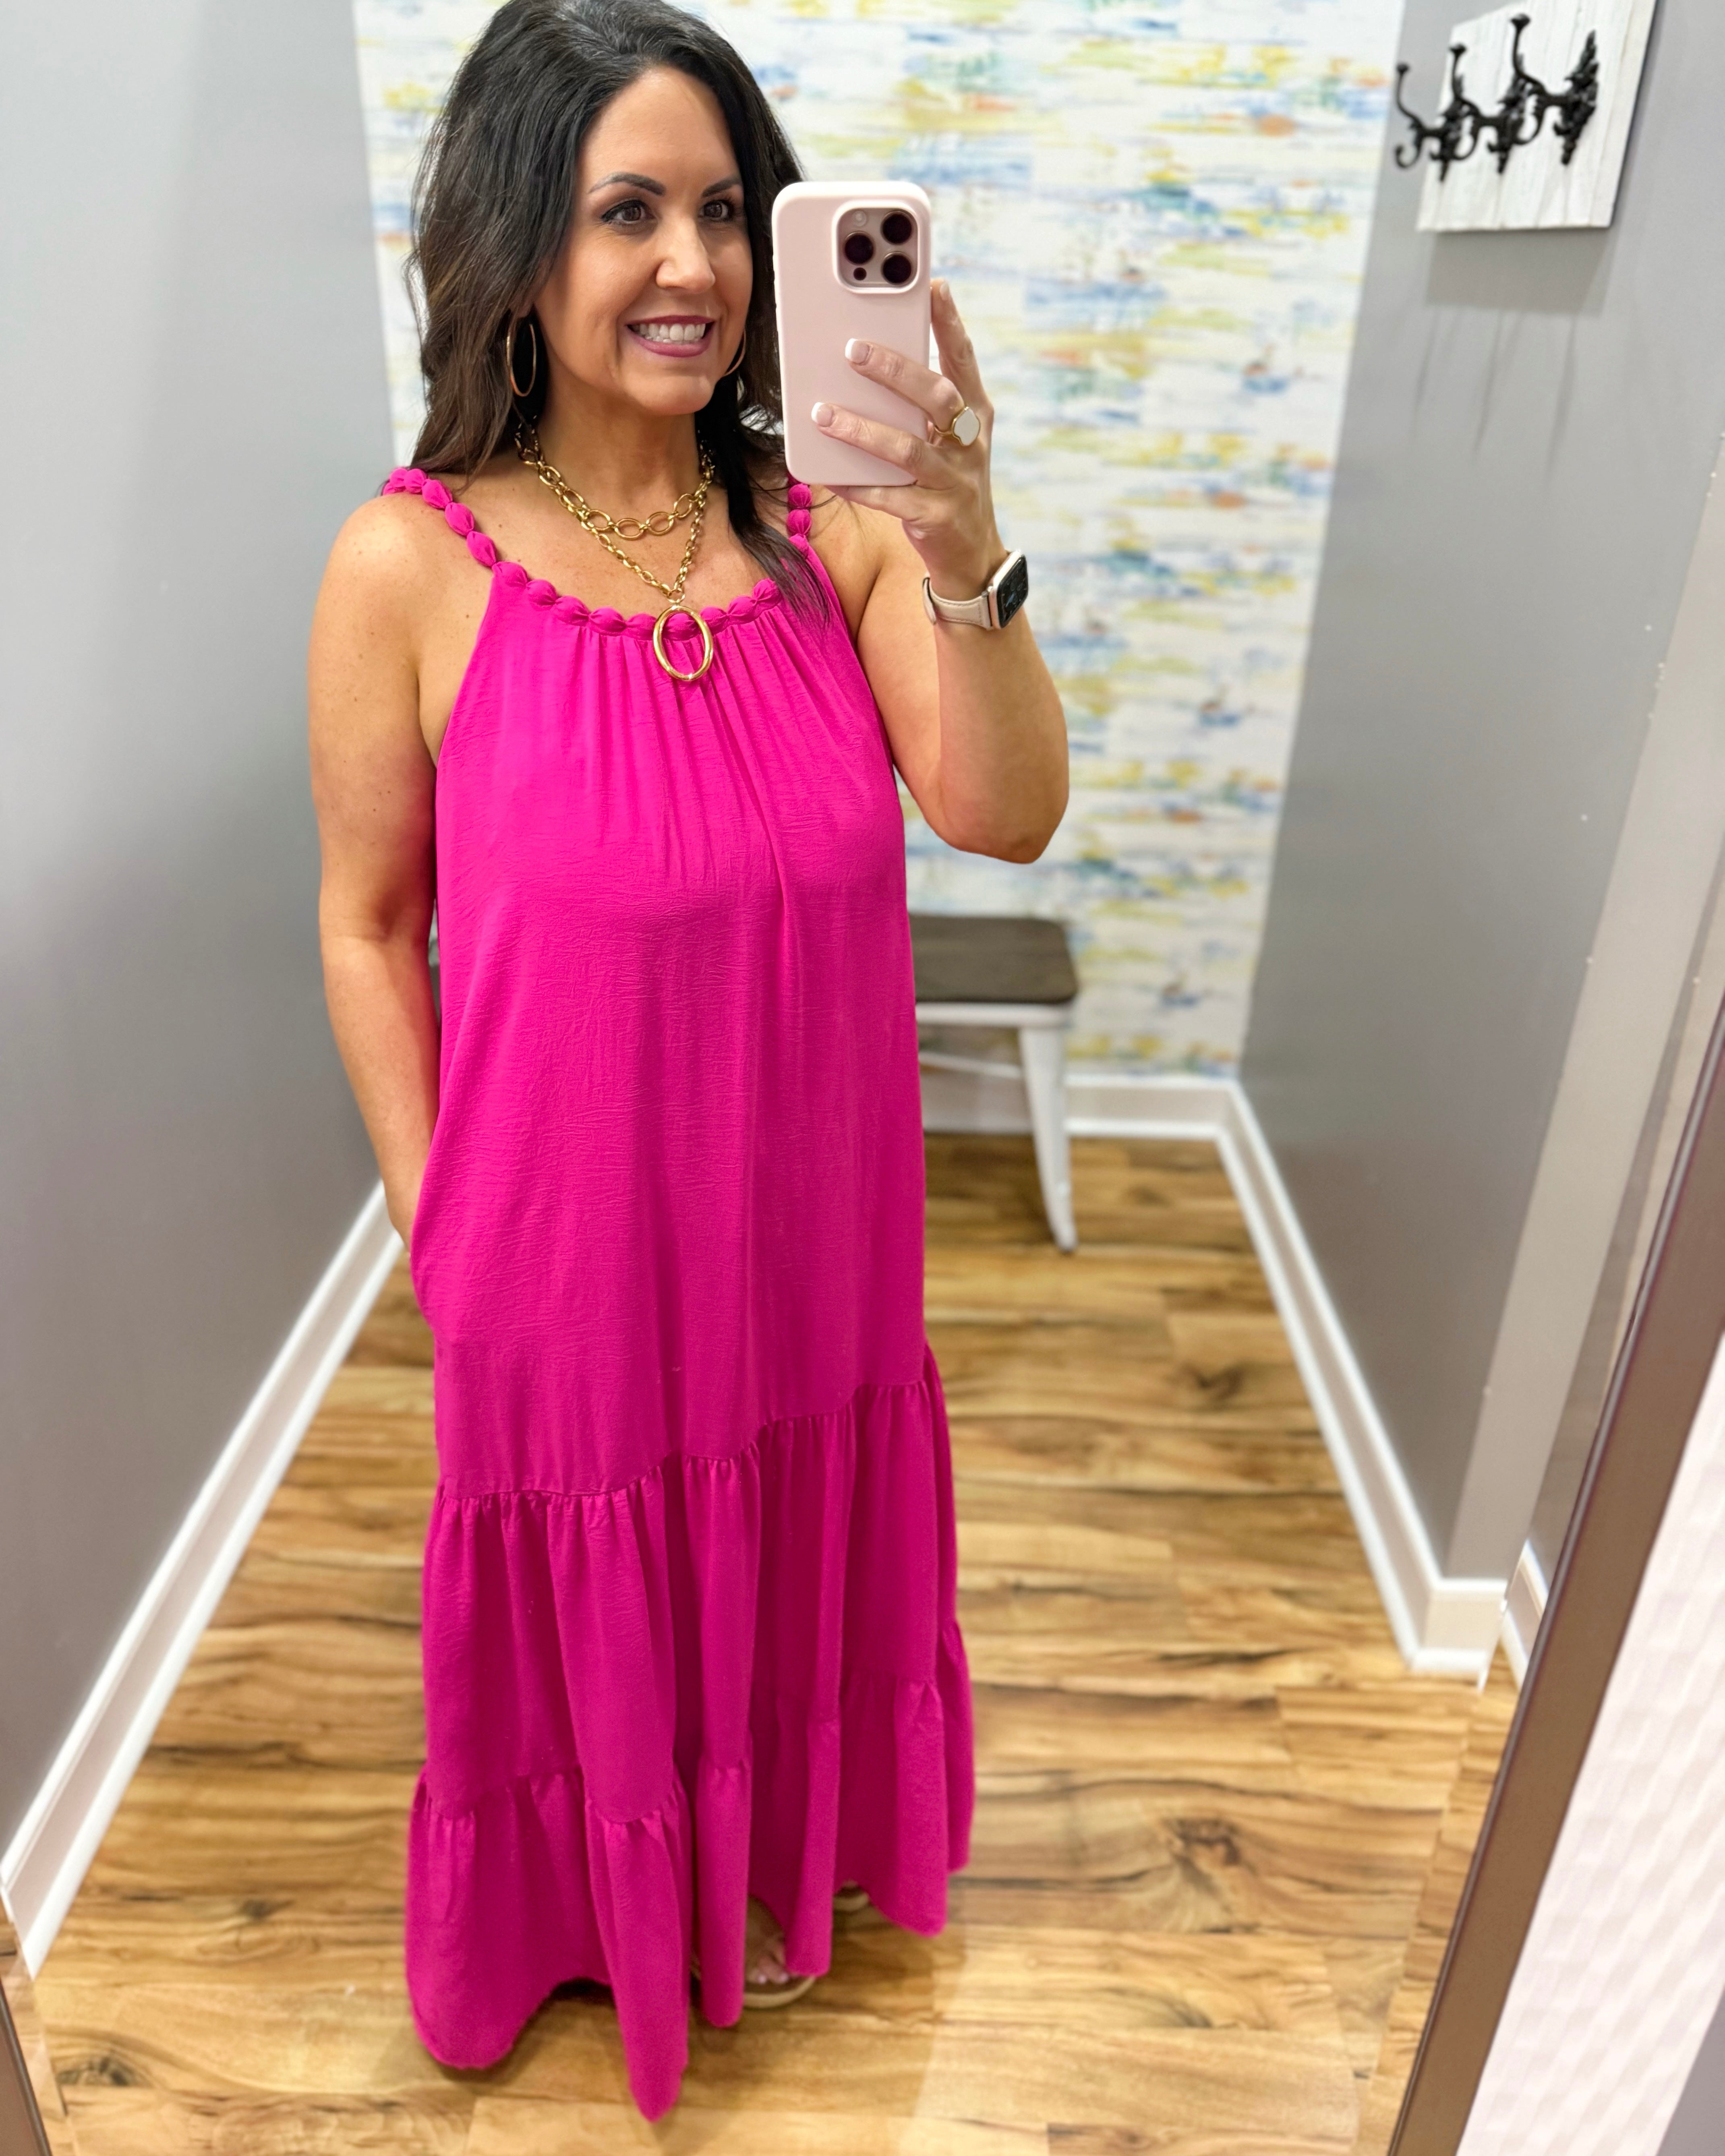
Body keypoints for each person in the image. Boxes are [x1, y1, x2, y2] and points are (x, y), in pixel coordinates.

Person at [307, 0, 1067, 2121]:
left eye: (727, 208)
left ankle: (778, 1866)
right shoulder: (407, 566)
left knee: (793, 1548)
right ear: (514, 244)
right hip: (561, 1261)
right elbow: (368, 924)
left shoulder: (830, 541)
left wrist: (962, 528)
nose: (694, 265)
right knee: (594, 1587)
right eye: (624, 207)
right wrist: (439, 1227)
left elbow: (1003, 812)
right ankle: (586, 1917)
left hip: (816, 1244)